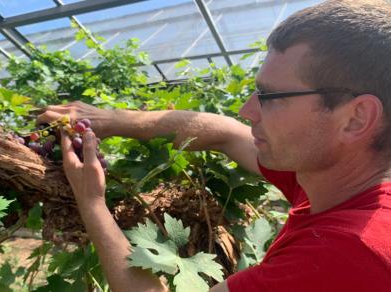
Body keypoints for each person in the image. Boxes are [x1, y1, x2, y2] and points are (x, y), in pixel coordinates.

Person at [38, 0, 391, 291]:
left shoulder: (349, 254)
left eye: (271, 96)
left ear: (356, 118)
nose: (247, 110)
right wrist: (111, 119)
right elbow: (224, 132)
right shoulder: (329, 181)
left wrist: (92, 201)